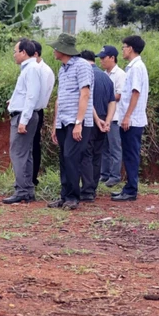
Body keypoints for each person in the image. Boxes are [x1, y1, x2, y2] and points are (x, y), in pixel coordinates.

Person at [47, 33, 93, 210]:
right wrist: (55, 125)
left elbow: (85, 94)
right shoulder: (63, 68)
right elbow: (60, 98)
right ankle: (65, 196)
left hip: (77, 121)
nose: (54, 51)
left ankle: (73, 197)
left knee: (71, 157)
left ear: (63, 50)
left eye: (56, 48)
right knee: (64, 159)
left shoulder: (82, 66)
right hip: (63, 121)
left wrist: (78, 122)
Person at [3, 38, 43, 204]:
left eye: (15, 51)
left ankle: (22, 190)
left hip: (23, 116)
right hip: (23, 114)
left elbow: (31, 96)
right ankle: (27, 189)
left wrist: (23, 120)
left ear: (24, 53)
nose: (14, 55)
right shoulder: (29, 68)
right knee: (25, 154)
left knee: (18, 154)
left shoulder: (31, 69)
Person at [112, 35, 149, 202]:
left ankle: (131, 190)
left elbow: (135, 92)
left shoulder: (135, 68)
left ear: (131, 48)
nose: (123, 50)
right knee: (129, 154)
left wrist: (127, 116)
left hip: (132, 120)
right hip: (132, 118)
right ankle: (129, 187)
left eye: (124, 47)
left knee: (131, 154)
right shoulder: (134, 67)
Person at [78, 50, 115, 202]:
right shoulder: (106, 77)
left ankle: (86, 191)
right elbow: (112, 101)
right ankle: (92, 189)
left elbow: (86, 99)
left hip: (89, 119)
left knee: (86, 154)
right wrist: (108, 120)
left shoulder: (87, 76)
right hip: (103, 119)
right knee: (97, 154)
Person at [97, 45, 125, 187]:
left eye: (103, 58)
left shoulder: (119, 74)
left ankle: (115, 176)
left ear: (112, 58)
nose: (101, 61)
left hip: (114, 117)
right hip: (104, 116)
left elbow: (119, 95)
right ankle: (104, 174)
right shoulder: (104, 74)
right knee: (104, 147)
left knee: (114, 147)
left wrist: (104, 97)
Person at [32, 40, 55, 187]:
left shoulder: (44, 71)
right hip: (30, 110)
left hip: (35, 111)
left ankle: (33, 178)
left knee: (34, 145)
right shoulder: (32, 68)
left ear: (34, 54)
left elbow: (39, 95)